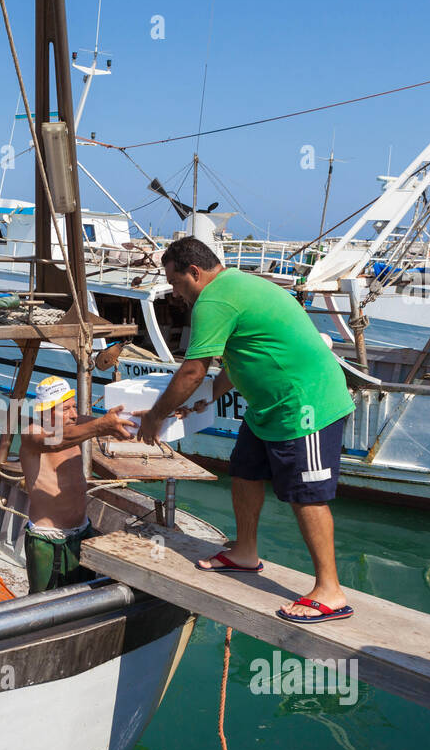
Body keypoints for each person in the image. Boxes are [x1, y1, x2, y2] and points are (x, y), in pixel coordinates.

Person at [135, 236, 356, 623]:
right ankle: (245, 552)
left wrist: (155, 416)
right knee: (245, 470)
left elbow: (192, 370)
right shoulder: (236, 284)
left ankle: (330, 590)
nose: (175, 292)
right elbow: (243, 352)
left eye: (175, 282)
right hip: (268, 406)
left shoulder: (214, 300)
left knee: (306, 495)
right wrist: (212, 396)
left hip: (306, 404)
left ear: (194, 272)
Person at [18, 375, 135, 593]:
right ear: (45, 412)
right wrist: (100, 426)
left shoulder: (75, 424)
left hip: (82, 532)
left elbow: (108, 425)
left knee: (84, 594)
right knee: (44, 604)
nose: (74, 414)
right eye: (66, 409)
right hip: (48, 540)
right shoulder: (31, 433)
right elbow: (54, 443)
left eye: (74, 407)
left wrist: (136, 422)